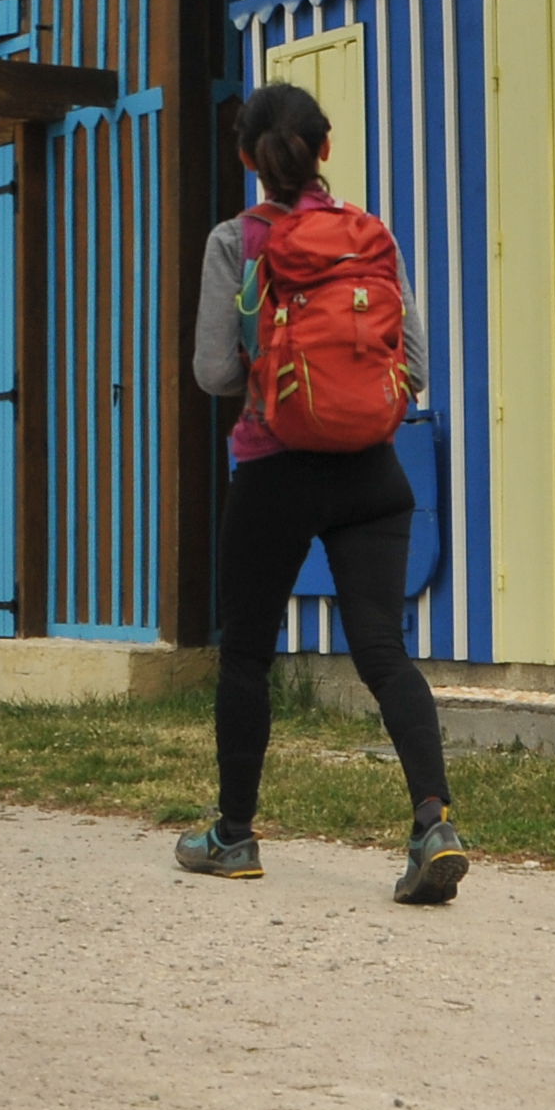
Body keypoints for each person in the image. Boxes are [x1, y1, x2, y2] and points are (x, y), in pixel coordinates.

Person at [176, 81, 467, 904]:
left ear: (247, 156)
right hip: (375, 474)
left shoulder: (236, 242)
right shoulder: (370, 237)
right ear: (326, 149)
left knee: (247, 655)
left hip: (275, 472)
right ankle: (434, 825)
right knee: (383, 651)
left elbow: (213, 372)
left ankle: (234, 836)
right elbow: (414, 364)